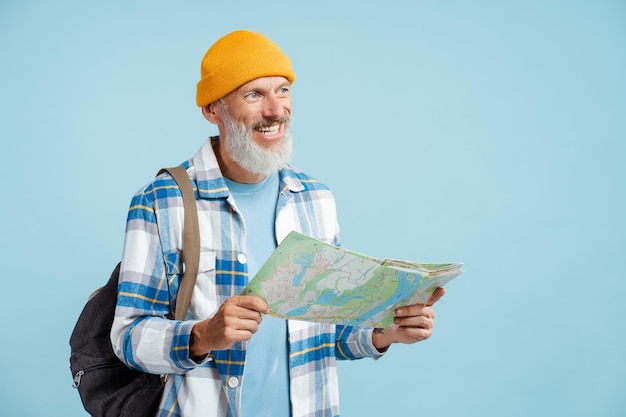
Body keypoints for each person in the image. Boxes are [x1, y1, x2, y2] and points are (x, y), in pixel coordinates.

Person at [111, 30, 445, 417]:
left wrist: (388, 332)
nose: (275, 110)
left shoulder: (315, 199)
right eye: (254, 94)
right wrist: (202, 335)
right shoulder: (160, 201)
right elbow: (128, 336)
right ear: (212, 109)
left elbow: (327, 332)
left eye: (282, 90)